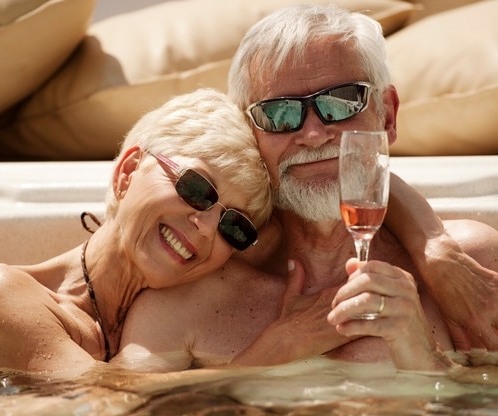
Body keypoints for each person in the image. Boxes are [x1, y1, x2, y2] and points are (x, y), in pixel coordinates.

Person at [113, 5, 498, 372]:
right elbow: (125, 405)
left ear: (388, 115)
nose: (313, 134)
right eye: (280, 113)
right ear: (251, 134)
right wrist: (273, 352)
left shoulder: (473, 269)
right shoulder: (187, 301)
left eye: (343, 102)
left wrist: (425, 359)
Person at [0, 88, 273, 372]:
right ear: (128, 172)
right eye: (197, 189)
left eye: (234, 225)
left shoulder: (182, 315)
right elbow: (100, 406)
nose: (205, 228)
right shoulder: (4, 294)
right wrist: (277, 351)